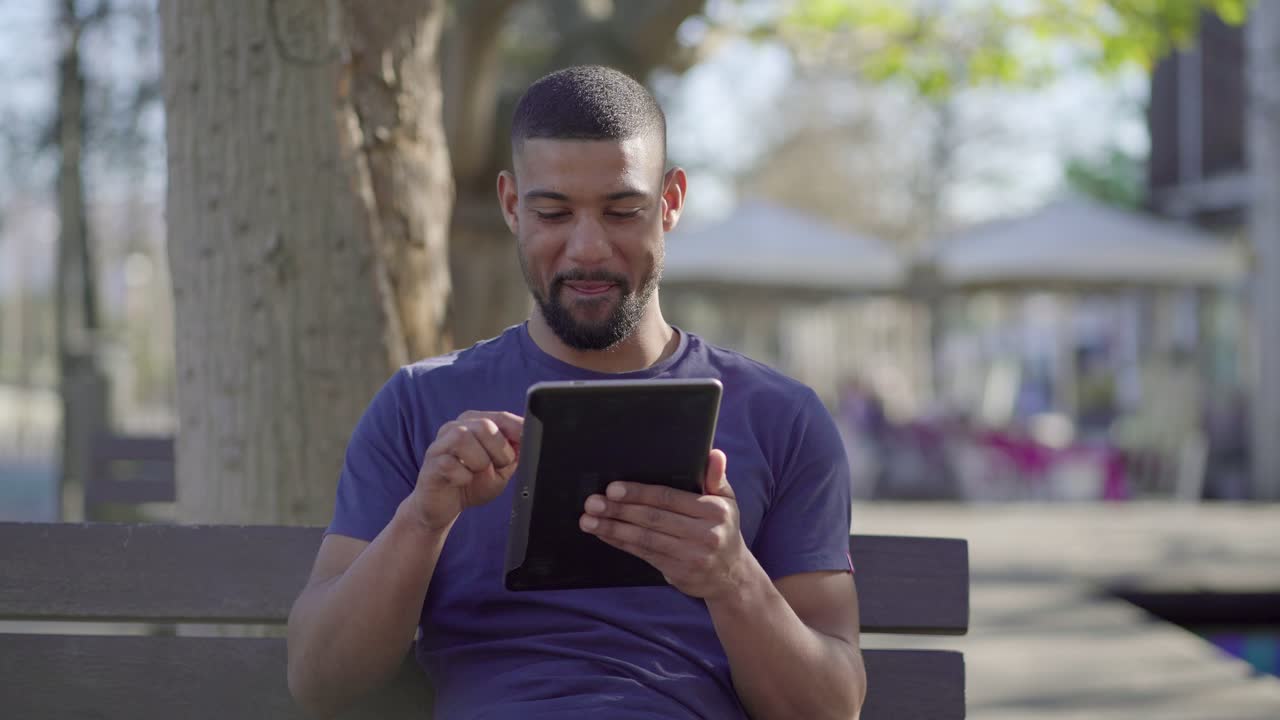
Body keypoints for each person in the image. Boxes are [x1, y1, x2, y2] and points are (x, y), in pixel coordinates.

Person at [286, 65, 866, 720]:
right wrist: (424, 518)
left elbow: (831, 708)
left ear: (671, 202)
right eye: (553, 212)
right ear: (510, 205)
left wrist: (729, 578)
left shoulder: (780, 418)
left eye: (623, 211)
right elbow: (319, 681)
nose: (587, 248)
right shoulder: (420, 404)